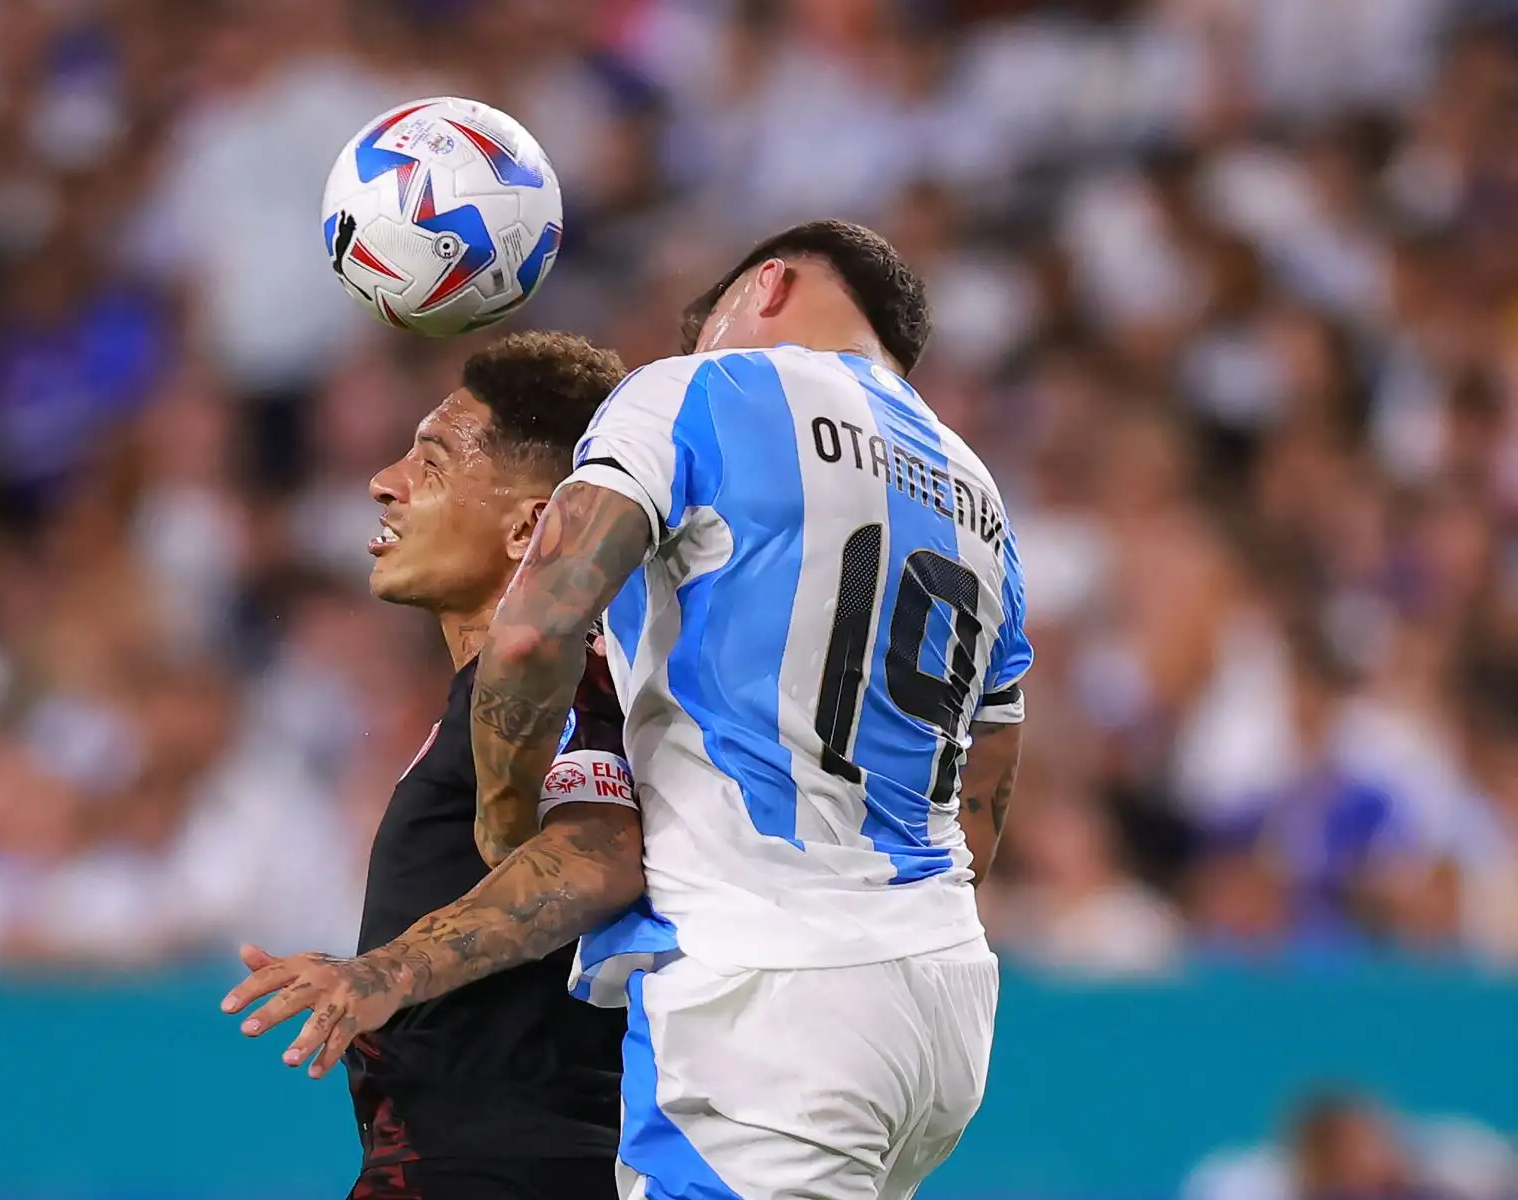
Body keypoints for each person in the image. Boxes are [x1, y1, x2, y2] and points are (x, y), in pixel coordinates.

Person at [468, 220, 1032, 1198]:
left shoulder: (698, 392)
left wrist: (504, 818)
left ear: (765, 285)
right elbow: (989, 767)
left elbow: (530, 629)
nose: (693, 350)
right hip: (938, 993)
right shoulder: (978, 494)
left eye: (705, 326)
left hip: (766, 997)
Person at [220, 332, 640, 1199]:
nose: (385, 481)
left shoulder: (564, 679)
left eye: (434, 461)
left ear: (531, 526)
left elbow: (601, 849)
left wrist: (383, 972)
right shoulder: (490, 698)